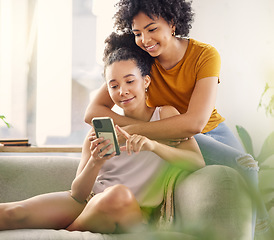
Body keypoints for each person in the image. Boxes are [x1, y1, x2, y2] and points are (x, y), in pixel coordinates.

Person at [84, 0, 270, 238]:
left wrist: (136, 130)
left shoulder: (205, 55)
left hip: (211, 129)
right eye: (137, 33)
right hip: (170, 128)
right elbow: (92, 112)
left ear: (172, 24)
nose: (145, 40)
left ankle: (262, 230)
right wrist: (147, 129)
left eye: (152, 29)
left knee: (248, 167)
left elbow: (194, 123)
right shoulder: (141, 60)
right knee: (247, 164)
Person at [0, 31, 205, 234]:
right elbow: (78, 194)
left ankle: (67, 231)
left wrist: (154, 145)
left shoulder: (166, 116)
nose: (122, 91)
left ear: (146, 81)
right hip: (90, 201)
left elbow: (196, 162)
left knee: (117, 195)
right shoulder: (101, 128)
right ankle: (74, 227)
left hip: (133, 210)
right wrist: (95, 162)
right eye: (114, 85)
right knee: (13, 212)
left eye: (130, 81)